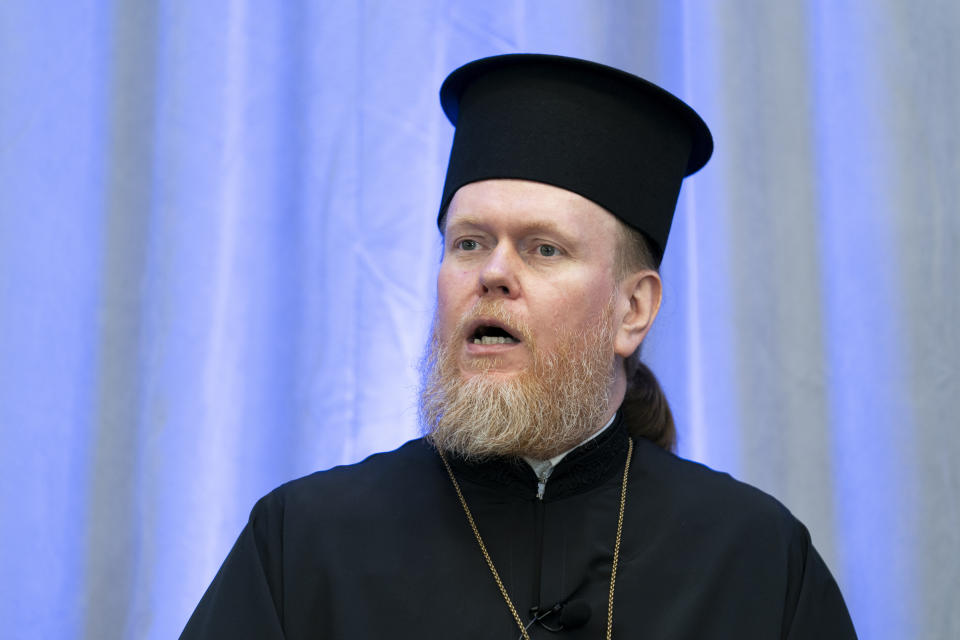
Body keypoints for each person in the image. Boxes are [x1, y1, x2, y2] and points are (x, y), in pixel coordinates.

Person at [180, 54, 857, 639]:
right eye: (468, 242)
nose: (493, 273)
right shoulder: (302, 547)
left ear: (633, 309)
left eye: (544, 248)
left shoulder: (757, 560)